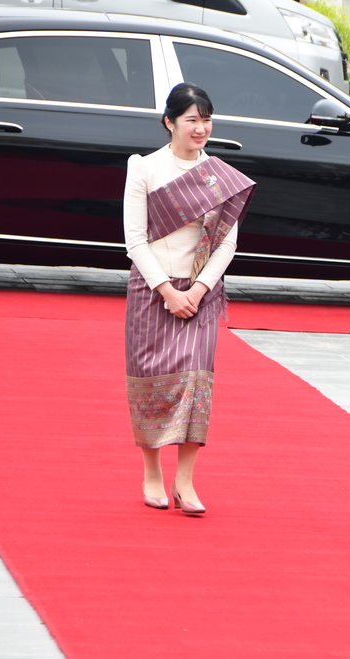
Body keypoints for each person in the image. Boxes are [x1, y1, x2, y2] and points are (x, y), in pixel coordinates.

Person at [123, 83, 255, 514]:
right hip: (152, 290)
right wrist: (167, 291)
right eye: (191, 120)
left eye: (206, 119)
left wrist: (197, 291)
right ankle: (152, 473)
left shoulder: (221, 176)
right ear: (170, 122)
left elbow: (228, 242)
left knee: (195, 384)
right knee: (150, 381)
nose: (201, 128)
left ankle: (185, 480)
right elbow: (135, 241)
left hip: (201, 294)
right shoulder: (144, 168)